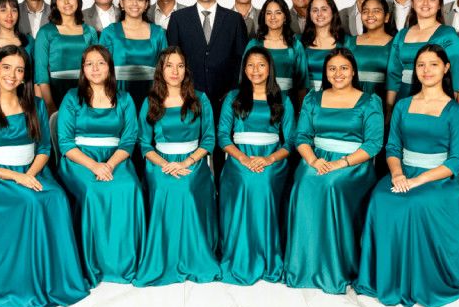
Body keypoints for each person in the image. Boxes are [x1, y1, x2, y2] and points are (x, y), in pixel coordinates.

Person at [0, 46, 89, 307]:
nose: (12, 75)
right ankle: (24, 283)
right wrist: (16, 178)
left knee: (57, 198)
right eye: (6, 67)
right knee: (30, 202)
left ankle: (55, 279)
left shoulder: (36, 105)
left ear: (25, 76)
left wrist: (29, 174)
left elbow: (44, 148)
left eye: (19, 70)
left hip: (32, 170)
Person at [356, 44, 459, 307]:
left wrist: (417, 181)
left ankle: (417, 279)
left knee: (414, 202)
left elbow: (455, 161)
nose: (426, 70)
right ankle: (386, 276)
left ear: (446, 68)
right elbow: (393, 147)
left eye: (433, 64)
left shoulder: (455, 111)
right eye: (421, 65)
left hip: (438, 179)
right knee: (380, 198)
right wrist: (397, 174)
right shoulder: (403, 105)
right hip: (403, 171)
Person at [284, 48, 383, 294]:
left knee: (330, 185)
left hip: (353, 165)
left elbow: (373, 144)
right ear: (325, 72)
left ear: (353, 71)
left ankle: (336, 267)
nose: (338, 73)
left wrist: (342, 163)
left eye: (344, 68)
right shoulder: (312, 99)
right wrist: (313, 161)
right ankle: (305, 265)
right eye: (332, 68)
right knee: (304, 184)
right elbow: (302, 136)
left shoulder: (370, 101)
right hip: (317, 159)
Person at [57, 45, 145, 285]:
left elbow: (129, 139)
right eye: (89, 64)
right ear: (82, 69)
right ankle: (93, 262)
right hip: (79, 160)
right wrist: (95, 166)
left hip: (116, 158)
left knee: (129, 188)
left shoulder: (125, 99)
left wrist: (110, 164)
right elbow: (65, 143)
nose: (95, 69)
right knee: (93, 191)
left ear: (110, 67)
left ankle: (124, 261)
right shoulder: (71, 98)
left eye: (101, 63)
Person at [133, 47, 220, 286]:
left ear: (186, 70)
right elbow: (144, 143)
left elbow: (209, 139)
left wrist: (186, 162)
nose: (175, 71)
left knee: (187, 188)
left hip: (193, 161)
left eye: (180, 66)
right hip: (160, 163)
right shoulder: (151, 101)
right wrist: (165, 164)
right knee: (166, 187)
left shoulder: (200, 99)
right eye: (169, 66)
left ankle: (194, 256)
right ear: (161, 70)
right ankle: (165, 258)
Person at [218, 47, 296, 285]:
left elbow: (290, 141)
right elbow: (223, 136)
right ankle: (240, 253)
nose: (256, 70)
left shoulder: (283, 99)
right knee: (246, 180)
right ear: (244, 69)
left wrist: (269, 160)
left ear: (270, 68)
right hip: (239, 157)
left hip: (271, 159)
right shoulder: (233, 97)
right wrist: (243, 159)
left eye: (261, 65)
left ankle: (266, 254)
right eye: (250, 65)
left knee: (262, 181)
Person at [166, 0, 248, 177]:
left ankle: (220, 190)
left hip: (224, 96)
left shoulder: (234, 19)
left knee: (221, 145)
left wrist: (232, 92)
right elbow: (172, 58)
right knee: (192, 143)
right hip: (189, 95)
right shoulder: (179, 18)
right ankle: (195, 186)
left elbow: (241, 60)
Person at [386, 0, 459, 108]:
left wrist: (450, 108)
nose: (425, 3)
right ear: (413, 4)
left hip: (435, 99)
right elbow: (393, 73)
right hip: (403, 97)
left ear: (439, 5)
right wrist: (390, 108)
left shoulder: (448, 35)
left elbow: (456, 74)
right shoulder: (401, 35)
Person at [99, 0, 167, 111]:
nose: (135, 3)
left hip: (152, 95)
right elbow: (101, 68)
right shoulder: (109, 32)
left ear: (146, 4)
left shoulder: (158, 33)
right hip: (116, 95)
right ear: (121, 3)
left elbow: (165, 68)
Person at [34, 0, 98, 114]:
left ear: (77, 0)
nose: (66, 2)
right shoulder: (46, 32)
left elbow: (97, 67)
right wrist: (49, 104)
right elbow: (41, 72)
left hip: (86, 90)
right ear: (55, 4)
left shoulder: (90, 31)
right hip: (56, 91)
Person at [244, 0, 308, 102]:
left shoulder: (296, 45)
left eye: (278, 13)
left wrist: (301, 108)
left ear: (285, 17)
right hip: (257, 101)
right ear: (264, 17)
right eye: (268, 13)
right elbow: (244, 78)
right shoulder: (253, 44)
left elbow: (302, 83)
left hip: (288, 102)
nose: (272, 17)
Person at [343, 0, 394, 98]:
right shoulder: (349, 42)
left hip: (381, 100)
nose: (370, 15)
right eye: (365, 11)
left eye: (376, 11)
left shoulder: (395, 44)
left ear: (386, 17)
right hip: (350, 100)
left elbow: (395, 80)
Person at [301, 0, 344, 91]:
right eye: (315, 10)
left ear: (333, 12)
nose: (319, 14)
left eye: (324, 9)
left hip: (336, 95)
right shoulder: (300, 42)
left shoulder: (346, 42)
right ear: (309, 14)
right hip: (305, 96)